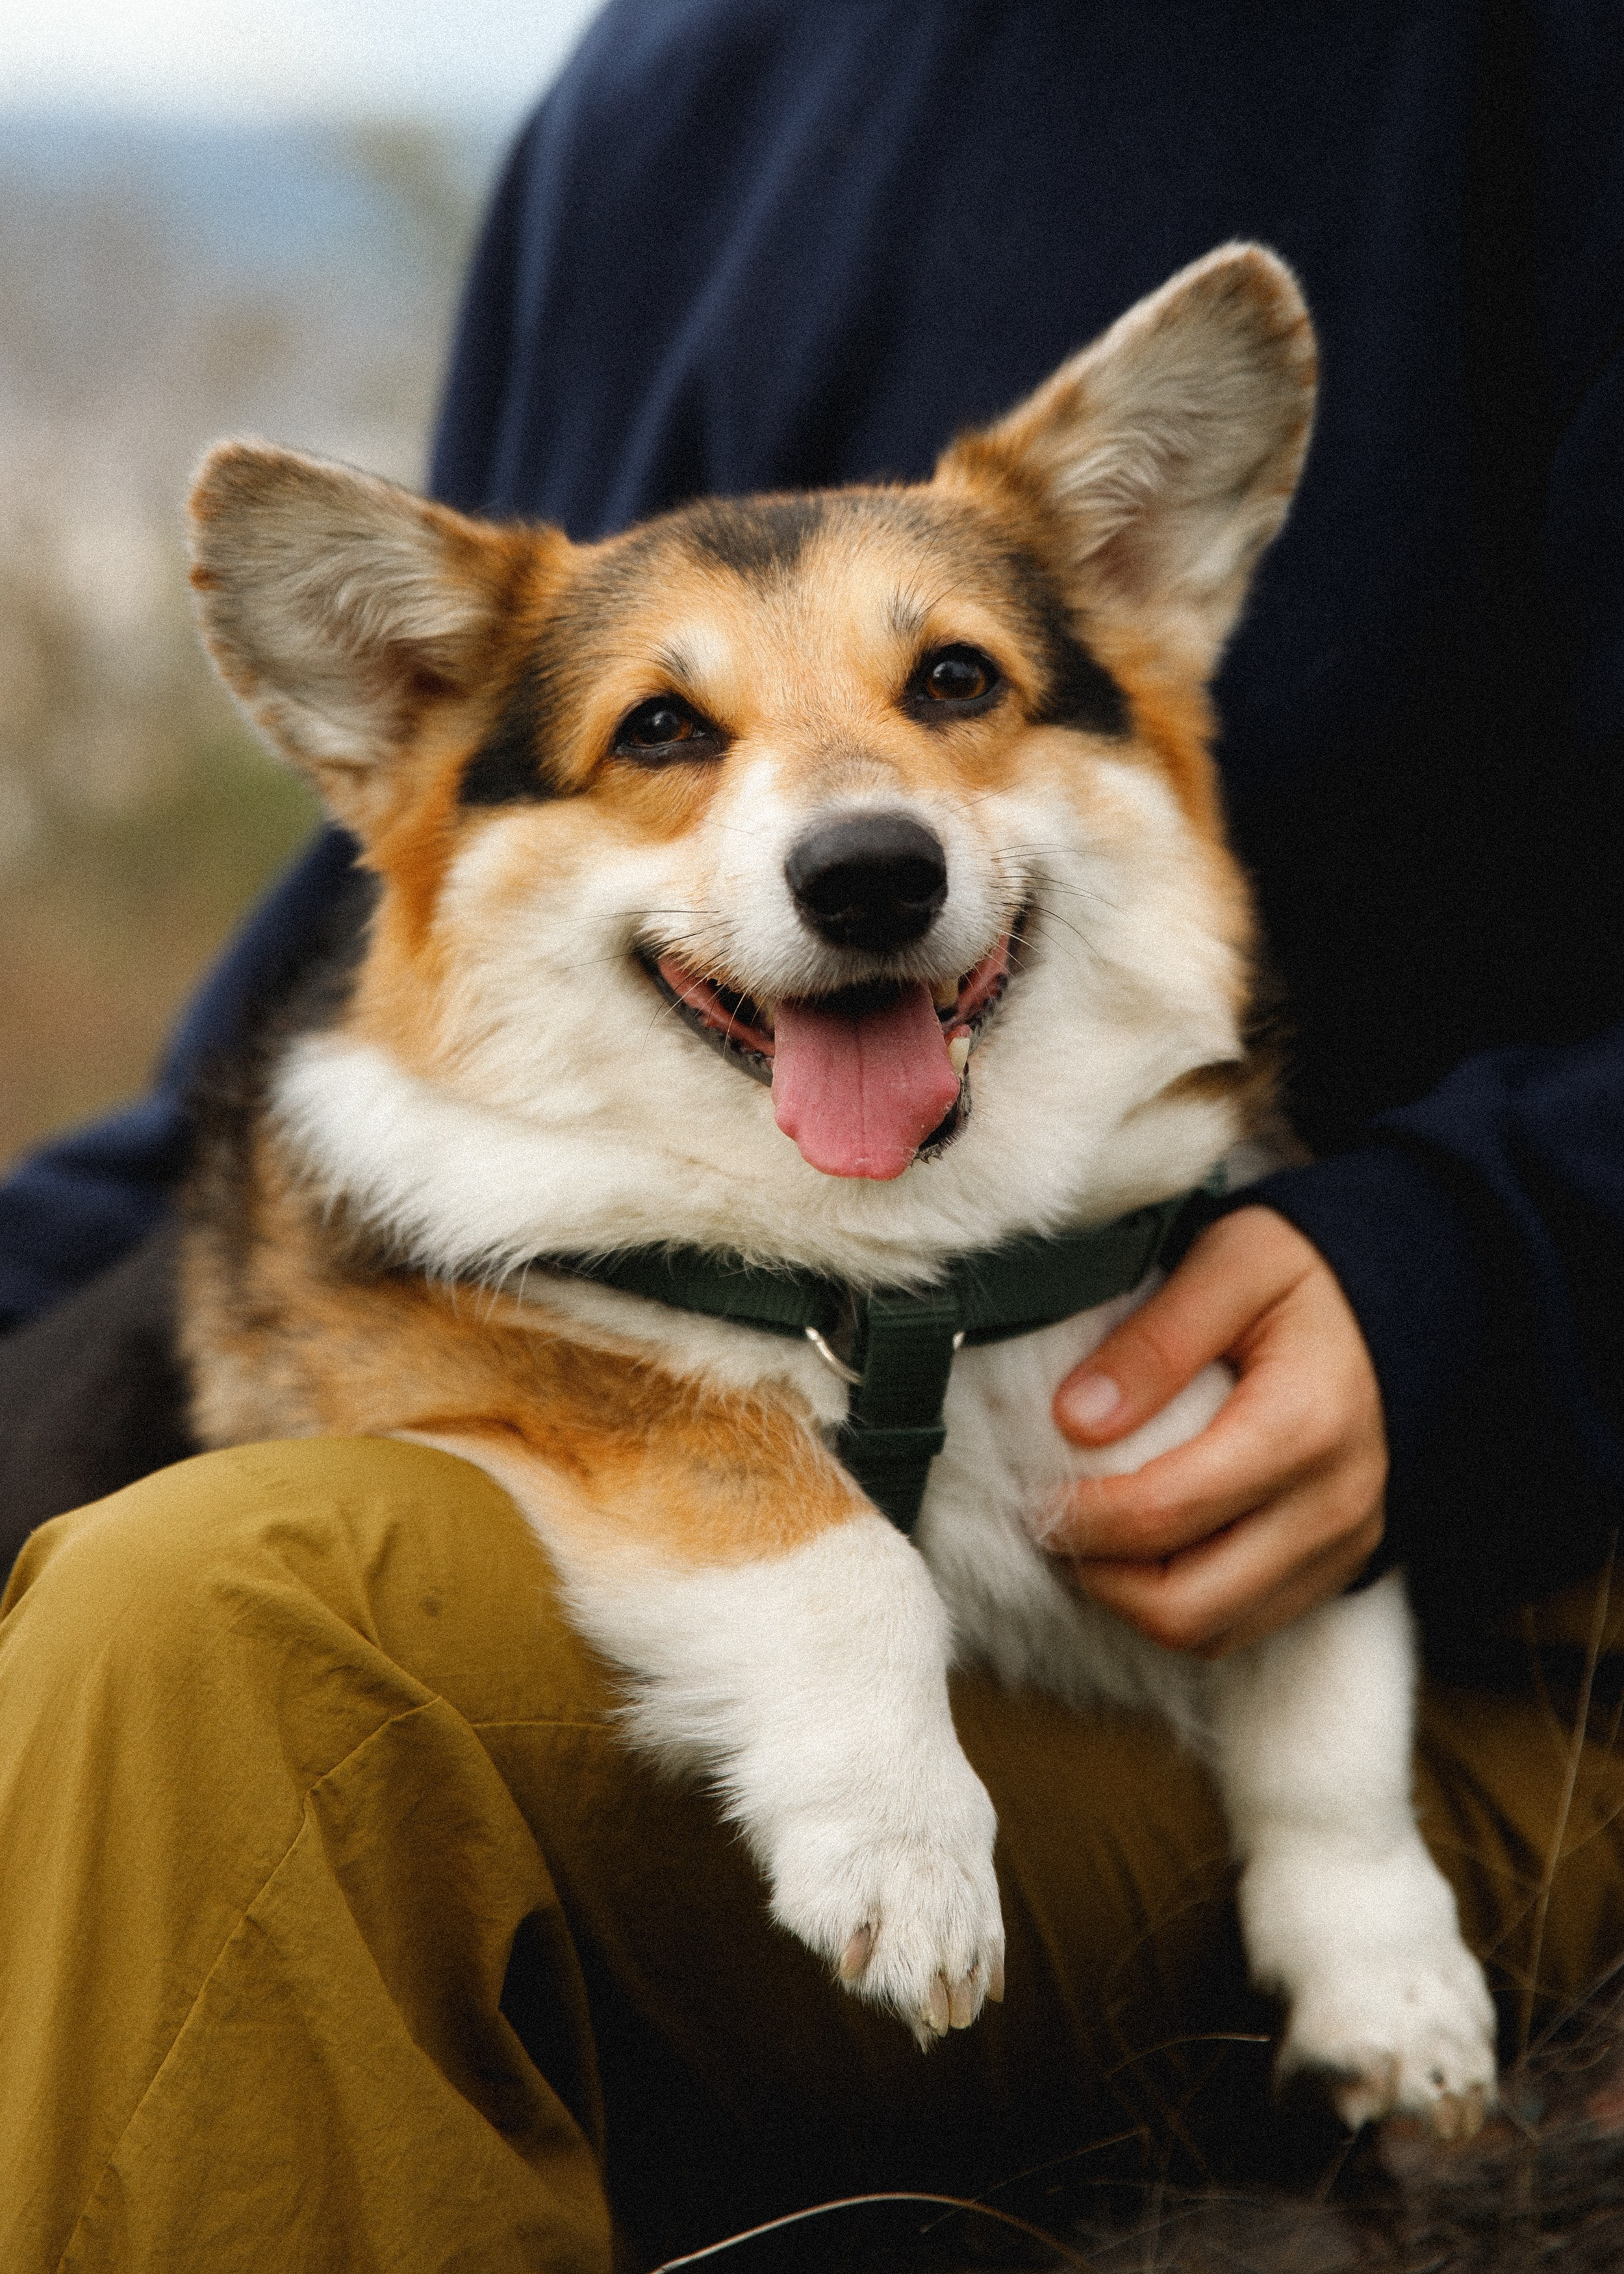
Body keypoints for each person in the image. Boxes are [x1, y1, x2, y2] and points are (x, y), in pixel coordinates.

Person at [3, 3, 1623, 2267]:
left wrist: (1472, 1262)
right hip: (823, 1481)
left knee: (222, 1651)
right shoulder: (654, 90)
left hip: (1485, 1601)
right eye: (678, 724)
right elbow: (368, 961)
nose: (853, 813)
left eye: (946, 679)